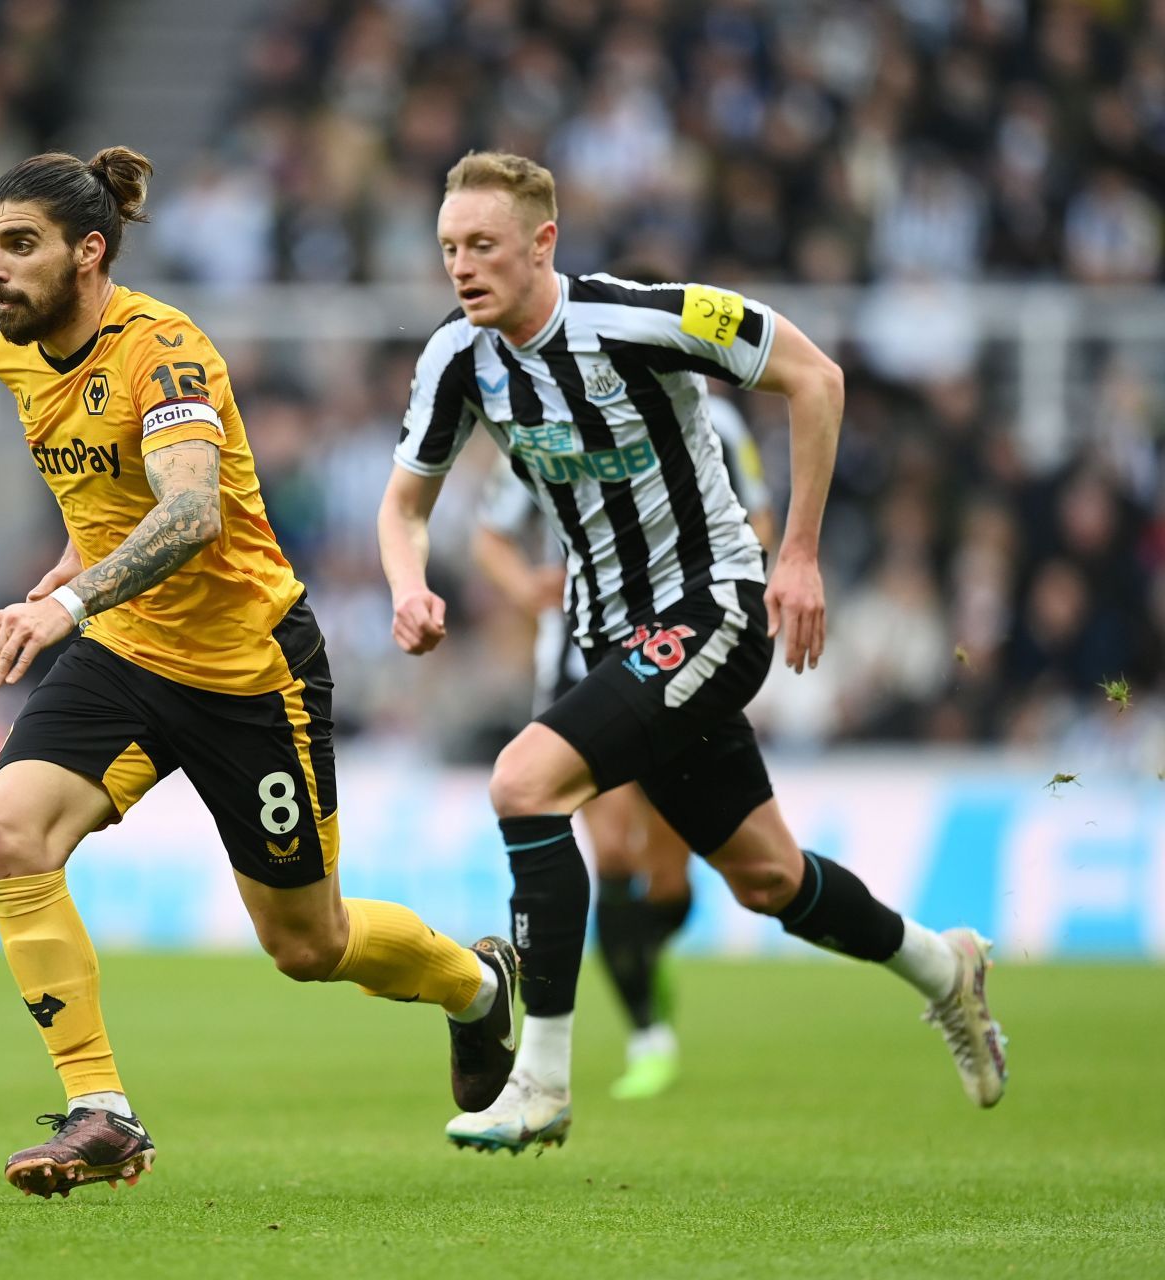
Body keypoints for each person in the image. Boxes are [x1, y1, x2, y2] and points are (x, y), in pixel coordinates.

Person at [377, 151, 1008, 1155]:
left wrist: (795, 552)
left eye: (483, 244)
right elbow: (404, 502)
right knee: (768, 878)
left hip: (711, 608)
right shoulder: (458, 359)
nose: (461, 264)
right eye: (450, 246)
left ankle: (540, 1079)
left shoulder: (644, 315)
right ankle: (947, 968)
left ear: (544, 241)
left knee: (524, 779)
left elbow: (816, 375)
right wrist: (409, 584)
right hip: (608, 638)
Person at [0, 146, 520, 1198]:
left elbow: (191, 509)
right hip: (128, 653)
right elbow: (111, 503)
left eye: (20, 245)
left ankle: (479, 987)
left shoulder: (166, 353)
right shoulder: (16, 355)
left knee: (308, 944)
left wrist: (64, 603)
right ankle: (103, 1110)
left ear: (89, 252)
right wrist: (73, 567)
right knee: (9, 834)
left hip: (247, 669)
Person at [471, 384, 778, 1101]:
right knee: (610, 851)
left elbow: (758, 517)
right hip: (580, 666)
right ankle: (648, 1035)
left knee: (670, 878)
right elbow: (490, 531)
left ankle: (648, 950)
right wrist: (524, 587)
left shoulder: (716, 422)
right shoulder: (547, 418)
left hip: (679, 657)